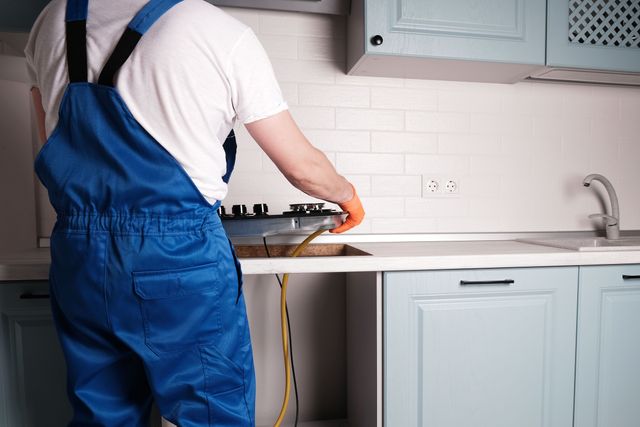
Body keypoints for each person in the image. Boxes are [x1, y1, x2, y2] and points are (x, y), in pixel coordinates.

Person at [25, 0, 365, 425]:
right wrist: (347, 195)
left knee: (102, 412)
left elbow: (47, 138)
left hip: (78, 253)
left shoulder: (50, 19)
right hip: (176, 253)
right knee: (210, 413)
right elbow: (302, 167)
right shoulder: (217, 30)